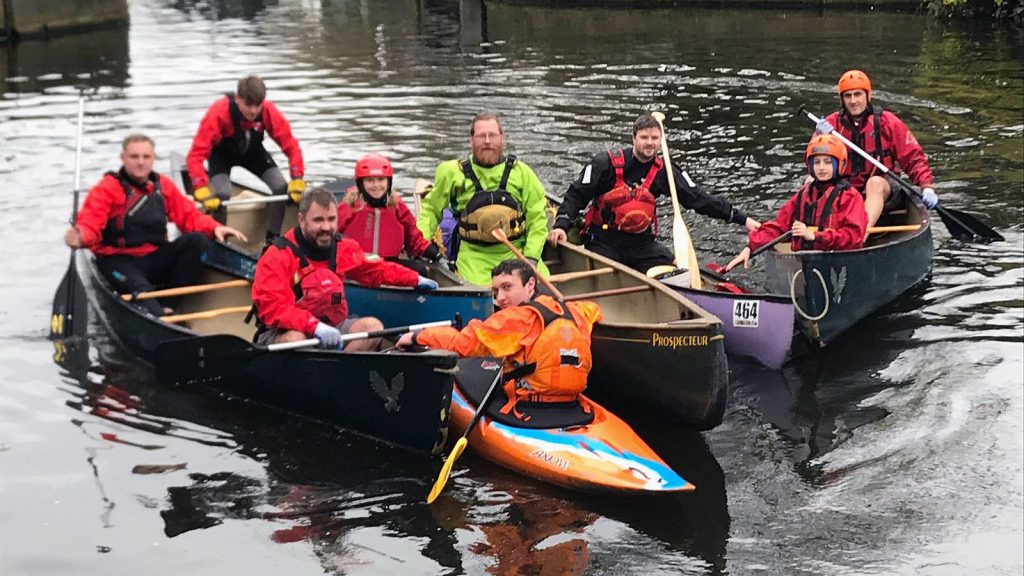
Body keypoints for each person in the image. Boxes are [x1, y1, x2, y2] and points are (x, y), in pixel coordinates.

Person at [548, 114, 760, 274]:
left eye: (654, 138)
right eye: (644, 137)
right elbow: (577, 195)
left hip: (642, 244)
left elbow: (698, 199)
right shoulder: (605, 164)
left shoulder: (664, 171)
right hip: (604, 240)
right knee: (605, 272)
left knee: (676, 274)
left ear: (661, 140)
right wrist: (561, 224)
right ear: (634, 138)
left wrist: (742, 219)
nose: (649, 143)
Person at [63, 134, 247, 317]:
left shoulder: (163, 185)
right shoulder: (108, 188)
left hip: (154, 257)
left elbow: (189, 216)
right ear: (123, 158)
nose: (140, 162)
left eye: (146, 157)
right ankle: (158, 315)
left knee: (198, 242)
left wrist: (214, 227)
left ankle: (169, 305)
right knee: (137, 286)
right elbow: (90, 221)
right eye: (134, 157)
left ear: (153, 159)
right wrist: (80, 237)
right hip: (118, 262)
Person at [397, 259, 601, 417]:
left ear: (530, 285)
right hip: (571, 401)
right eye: (496, 291)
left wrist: (417, 337)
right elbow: (595, 310)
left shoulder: (515, 318)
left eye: (507, 287)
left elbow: (463, 345)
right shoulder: (576, 312)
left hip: (530, 404)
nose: (500, 298)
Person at [251, 187, 439, 352]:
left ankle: (341, 371)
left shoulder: (343, 247)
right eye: (318, 220)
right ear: (301, 220)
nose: (326, 227)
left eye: (331, 219)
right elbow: (273, 307)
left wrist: (414, 279)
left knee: (373, 326)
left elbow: (377, 270)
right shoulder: (277, 255)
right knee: (295, 340)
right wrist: (313, 326)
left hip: (333, 327)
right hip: (286, 333)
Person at [416, 113, 551, 286]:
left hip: (516, 251)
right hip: (474, 256)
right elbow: (430, 211)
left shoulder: (523, 173)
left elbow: (537, 219)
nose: (487, 141)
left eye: (493, 135)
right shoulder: (452, 173)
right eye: (481, 136)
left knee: (539, 291)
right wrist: (420, 243)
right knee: (477, 293)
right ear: (471, 140)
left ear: (502, 138)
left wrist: (530, 258)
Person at [186, 74, 305, 241]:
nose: (253, 111)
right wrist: (200, 187)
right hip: (221, 156)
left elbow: (291, 146)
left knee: (280, 188)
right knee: (222, 193)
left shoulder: (268, 111)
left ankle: (272, 238)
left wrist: (297, 177)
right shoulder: (219, 111)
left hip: (253, 153)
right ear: (237, 99)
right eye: (249, 105)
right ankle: (217, 238)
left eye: (258, 105)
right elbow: (196, 155)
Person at [814, 69, 937, 231]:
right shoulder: (831, 126)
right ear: (842, 100)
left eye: (858, 94)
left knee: (875, 183)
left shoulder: (887, 122)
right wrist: (818, 139)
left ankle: (859, 234)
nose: (853, 101)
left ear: (868, 96)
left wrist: (926, 186)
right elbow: (813, 163)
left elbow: (913, 157)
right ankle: (815, 232)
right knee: (810, 181)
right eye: (847, 96)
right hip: (845, 190)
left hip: (883, 190)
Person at [726, 134, 867, 270]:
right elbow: (779, 227)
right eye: (816, 162)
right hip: (805, 264)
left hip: (840, 265)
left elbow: (853, 237)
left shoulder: (850, 197)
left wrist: (814, 236)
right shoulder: (803, 195)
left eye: (828, 162)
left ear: (840, 164)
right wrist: (750, 247)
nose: (822, 167)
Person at [337, 153, 442, 275]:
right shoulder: (348, 206)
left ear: (389, 182)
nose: (376, 185)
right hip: (356, 265)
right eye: (370, 180)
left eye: (381, 180)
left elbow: (414, 238)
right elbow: (330, 236)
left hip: (388, 264)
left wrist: (431, 251)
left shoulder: (397, 206)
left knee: (420, 269)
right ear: (360, 183)